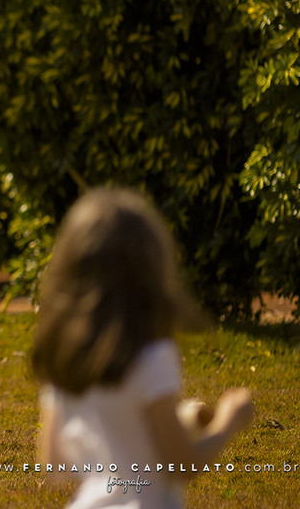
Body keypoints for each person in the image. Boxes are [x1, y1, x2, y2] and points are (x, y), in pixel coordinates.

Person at [32, 187, 255, 508]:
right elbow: (183, 465)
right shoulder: (152, 357)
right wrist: (228, 421)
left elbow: (54, 465)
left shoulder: (63, 359)